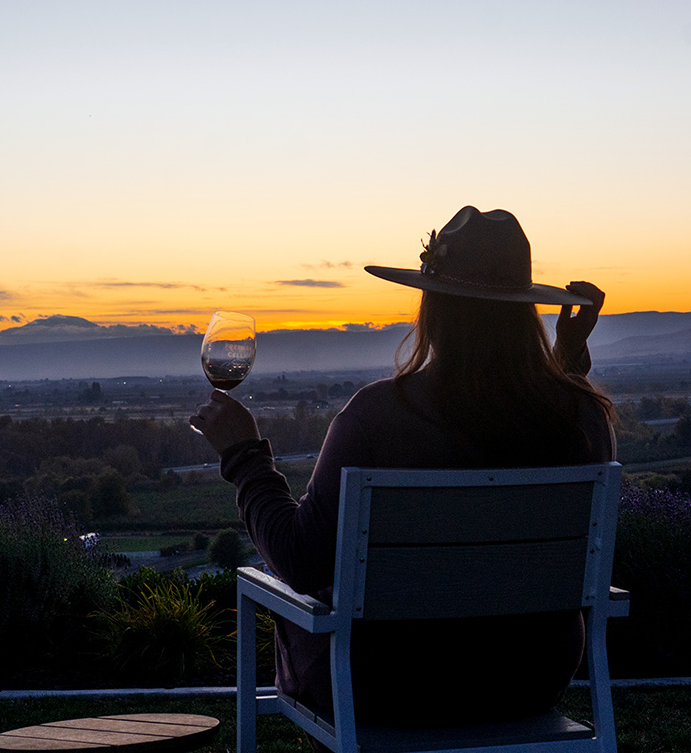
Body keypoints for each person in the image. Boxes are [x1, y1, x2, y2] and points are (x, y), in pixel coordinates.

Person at [191, 205, 615, 726]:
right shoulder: (584, 420)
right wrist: (564, 366)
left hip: (384, 685)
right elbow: (517, 424)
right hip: (527, 679)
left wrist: (243, 456)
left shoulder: (377, 416)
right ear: (525, 309)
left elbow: (299, 557)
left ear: (432, 307)